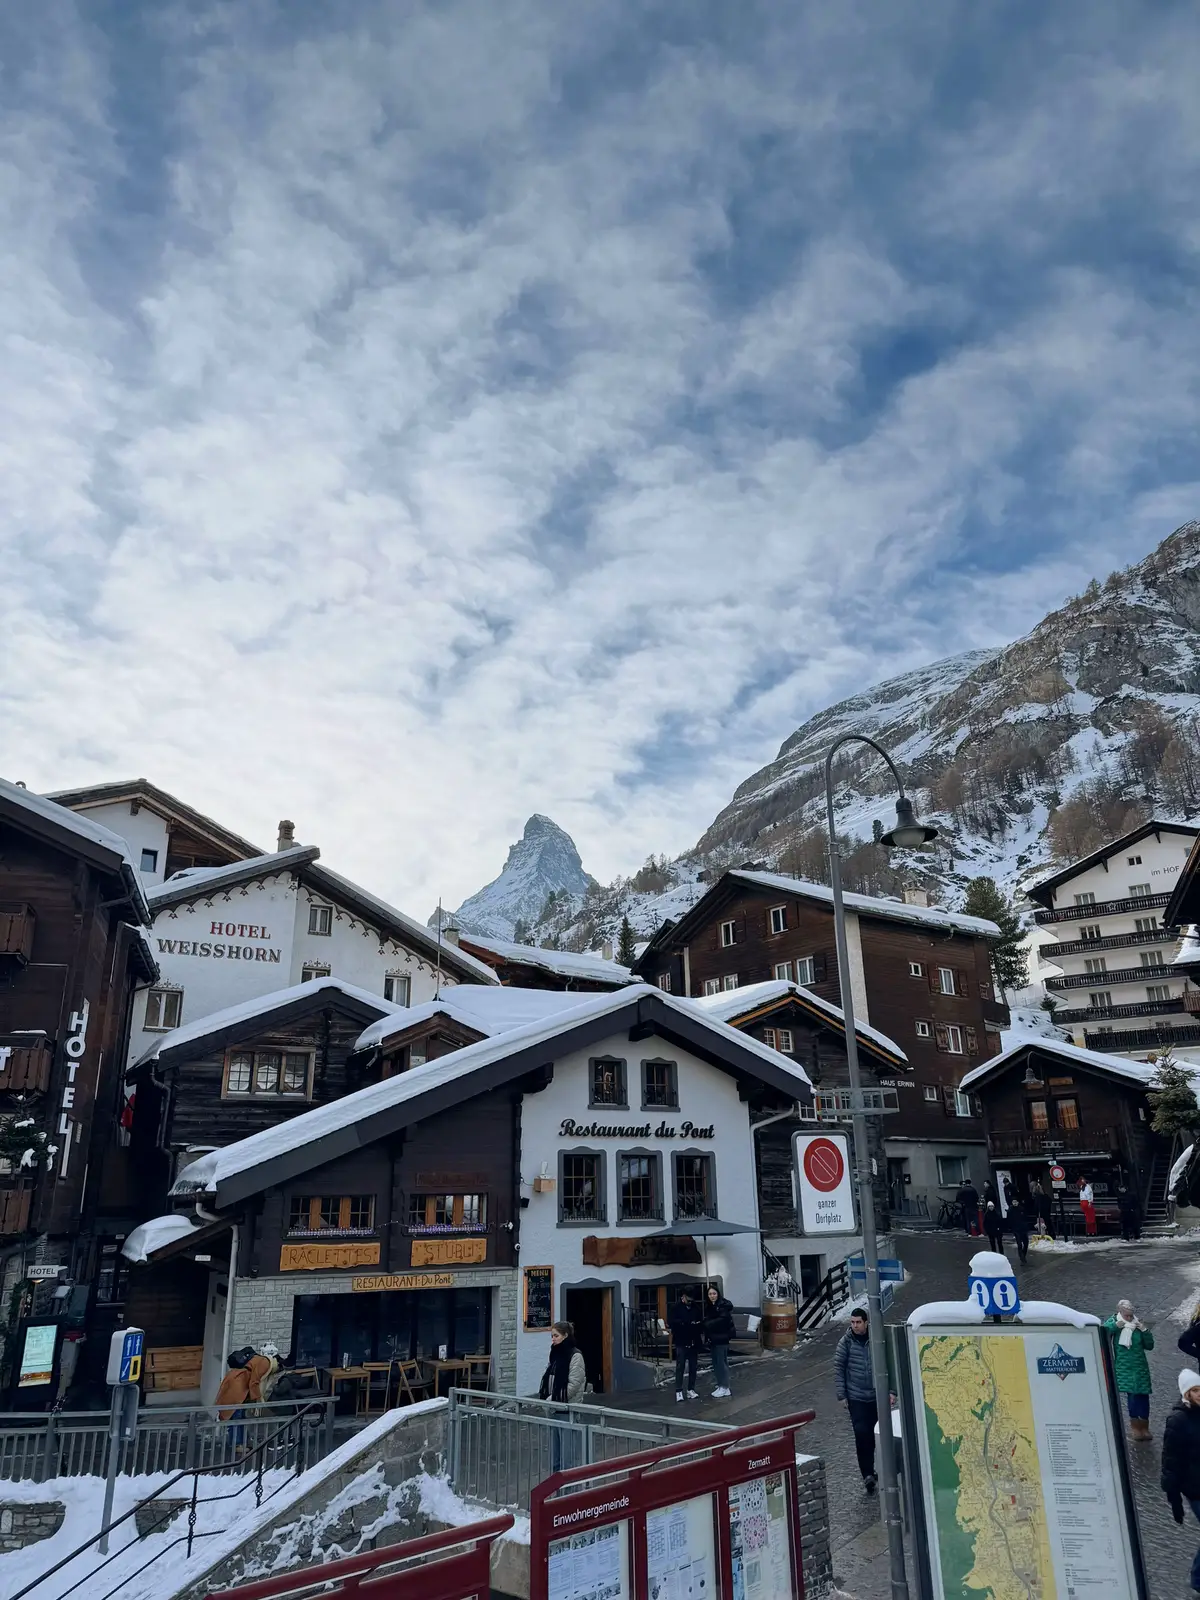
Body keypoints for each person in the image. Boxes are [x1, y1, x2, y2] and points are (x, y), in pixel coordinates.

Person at [1161, 1368, 1200, 1592]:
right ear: (1186, 1394)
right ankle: (1197, 1580)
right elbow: (1170, 1461)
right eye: (1194, 1390)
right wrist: (1174, 1499)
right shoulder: (1177, 1420)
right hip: (1195, 1488)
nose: (1199, 1394)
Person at [835, 1308, 880, 1493]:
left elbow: (889, 1361)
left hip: (877, 1396)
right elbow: (838, 1368)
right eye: (852, 1323)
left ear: (866, 1322)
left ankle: (882, 1469)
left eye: (858, 1322)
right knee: (862, 1435)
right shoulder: (845, 1343)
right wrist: (842, 1395)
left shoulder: (877, 1339)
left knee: (877, 1435)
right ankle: (867, 1474)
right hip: (857, 1397)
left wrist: (891, 1391)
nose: (855, 1326)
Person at [539, 1320, 587, 1471]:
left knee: (568, 1459)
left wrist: (553, 1399)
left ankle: (569, 1492)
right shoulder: (555, 1354)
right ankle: (558, 1492)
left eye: (556, 1336)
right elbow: (549, 1375)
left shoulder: (575, 1356)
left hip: (568, 1411)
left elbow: (573, 1385)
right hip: (554, 1410)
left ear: (565, 1336)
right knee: (556, 1459)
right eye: (552, 1336)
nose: (553, 1339)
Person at [1103, 1299, 1154, 1440]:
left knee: (1144, 1396)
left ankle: (1145, 1427)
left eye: (1131, 1315)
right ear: (1120, 1312)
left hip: (1140, 1366)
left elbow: (1149, 1345)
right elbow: (1102, 1334)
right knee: (1132, 1396)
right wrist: (1114, 1326)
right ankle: (1135, 1428)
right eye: (1127, 1316)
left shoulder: (1137, 1325)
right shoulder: (1114, 1323)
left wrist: (1144, 1331)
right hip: (1124, 1366)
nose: (1130, 1318)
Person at [215, 1346, 276, 1450]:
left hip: (237, 1381)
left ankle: (240, 1443)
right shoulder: (265, 1364)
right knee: (236, 1415)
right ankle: (237, 1445)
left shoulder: (261, 1360)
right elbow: (254, 1382)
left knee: (238, 1415)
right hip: (239, 1384)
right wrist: (258, 1399)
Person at [669, 1288, 702, 1403]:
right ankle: (678, 1391)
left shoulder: (696, 1308)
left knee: (693, 1366)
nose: (690, 1301)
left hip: (694, 1340)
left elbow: (700, 1321)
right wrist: (685, 1323)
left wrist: (697, 1325)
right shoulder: (675, 1308)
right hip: (681, 1341)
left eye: (691, 1299)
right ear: (683, 1297)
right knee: (680, 1366)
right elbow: (672, 1322)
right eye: (688, 1299)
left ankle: (691, 1389)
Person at [703, 1284, 736, 1398]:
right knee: (716, 1363)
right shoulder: (710, 1306)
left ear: (718, 1294)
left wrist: (708, 1324)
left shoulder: (723, 1306)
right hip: (713, 1338)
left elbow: (722, 1320)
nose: (712, 1296)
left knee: (722, 1363)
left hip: (722, 1338)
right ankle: (721, 1385)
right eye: (710, 1294)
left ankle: (725, 1387)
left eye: (714, 1293)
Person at [1007, 1191, 1030, 1264]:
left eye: (1016, 1202)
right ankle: (1022, 1258)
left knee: (1026, 1243)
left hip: (1023, 1229)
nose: (1015, 1203)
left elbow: (1025, 1218)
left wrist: (1026, 1226)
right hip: (1016, 1229)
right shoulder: (1010, 1210)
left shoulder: (1022, 1209)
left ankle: (1023, 1254)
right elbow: (1009, 1220)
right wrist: (1010, 1228)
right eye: (1013, 1202)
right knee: (1019, 1244)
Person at [981, 1181, 1004, 1252]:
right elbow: (985, 1223)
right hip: (991, 1231)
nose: (984, 1185)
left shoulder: (997, 1214)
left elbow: (1000, 1222)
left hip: (997, 1230)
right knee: (993, 1243)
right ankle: (995, 1253)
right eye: (990, 1207)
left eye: (985, 1183)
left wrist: (1000, 1229)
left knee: (999, 1243)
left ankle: (1001, 1253)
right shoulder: (987, 1214)